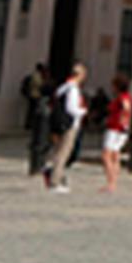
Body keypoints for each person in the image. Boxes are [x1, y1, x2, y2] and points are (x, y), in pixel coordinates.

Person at [41, 63, 88, 193]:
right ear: (79, 75)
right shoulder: (73, 89)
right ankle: (55, 182)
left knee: (57, 150)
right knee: (63, 153)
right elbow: (71, 109)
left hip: (59, 123)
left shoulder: (63, 87)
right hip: (69, 124)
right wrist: (83, 111)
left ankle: (49, 168)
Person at [100, 74, 132, 194]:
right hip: (121, 129)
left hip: (115, 128)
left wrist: (122, 121)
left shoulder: (122, 98)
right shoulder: (127, 97)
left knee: (107, 156)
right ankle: (113, 182)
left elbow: (126, 109)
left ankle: (110, 182)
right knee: (116, 155)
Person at [21, 64, 50, 175]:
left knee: (34, 113)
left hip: (35, 96)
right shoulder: (36, 77)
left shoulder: (36, 76)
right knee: (34, 112)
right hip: (35, 96)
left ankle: (36, 165)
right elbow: (38, 86)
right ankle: (36, 166)